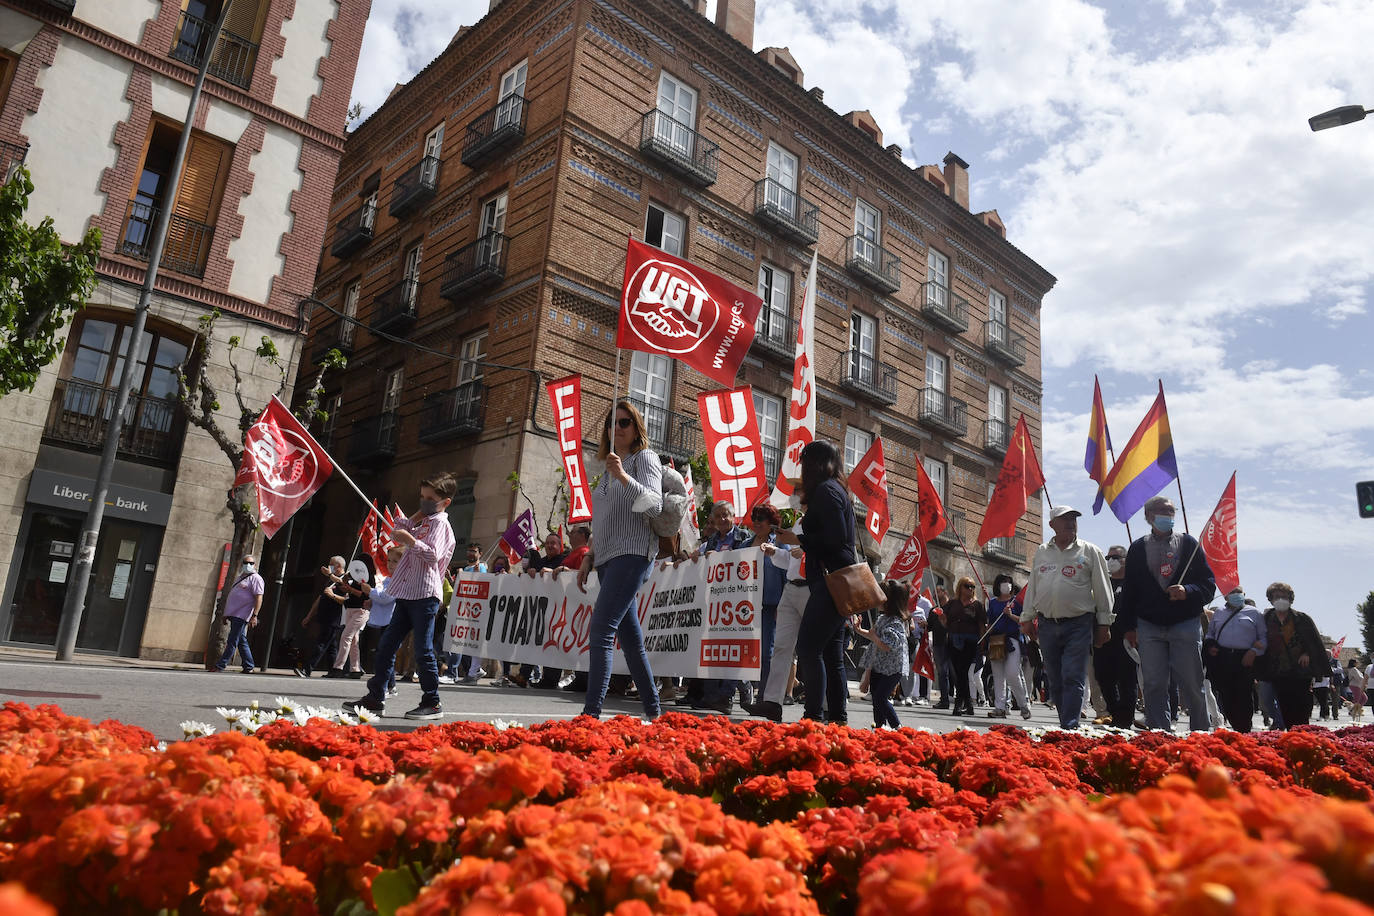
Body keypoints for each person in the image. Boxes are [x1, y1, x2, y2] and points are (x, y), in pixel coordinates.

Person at [577, 400, 664, 720]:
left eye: (624, 422)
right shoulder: (607, 471)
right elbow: (603, 520)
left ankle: (590, 715)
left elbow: (654, 505)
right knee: (630, 641)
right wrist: (589, 556)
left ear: (636, 427)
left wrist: (623, 476)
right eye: (611, 423)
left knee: (600, 630)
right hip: (607, 559)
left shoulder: (645, 458)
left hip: (634, 553)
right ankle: (655, 713)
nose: (617, 428)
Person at [344, 473, 457, 720]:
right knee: (386, 645)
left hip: (425, 594)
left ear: (445, 502)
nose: (425, 502)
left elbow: (433, 555)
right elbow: (397, 531)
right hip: (406, 593)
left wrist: (412, 540)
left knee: (422, 648)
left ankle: (432, 701)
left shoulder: (440, 524)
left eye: (431, 499)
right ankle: (375, 697)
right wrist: (415, 518)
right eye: (422, 497)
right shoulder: (426, 521)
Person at [772, 439, 857, 726]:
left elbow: (835, 539)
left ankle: (813, 717)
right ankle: (837, 720)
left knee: (808, 648)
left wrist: (798, 539)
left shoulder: (825, 491)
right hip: (837, 580)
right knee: (831, 655)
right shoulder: (836, 490)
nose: (801, 467)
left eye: (804, 461)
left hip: (831, 580)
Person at [1117, 496, 1217, 732]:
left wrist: (1187, 591)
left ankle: (1200, 732)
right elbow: (1129, 590)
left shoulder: (1189, 544)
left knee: (1192, 683)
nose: (1168, 515)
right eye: (1163, 511)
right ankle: (1159, 733)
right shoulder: (1138, 548)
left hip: (1184, 623)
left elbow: (1208, 585)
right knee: (1153, 683)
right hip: (1148, 625)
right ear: (1149, 516)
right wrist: (1129, 627)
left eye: (1172, 511)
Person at [1019, 505, 1114, 730]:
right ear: (1052, 525)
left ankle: (1069, 726)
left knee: (1073, 675)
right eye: (1065, 519)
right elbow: (1033, 585)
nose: (1071, 522)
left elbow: (1102, 588)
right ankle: (1066, 724)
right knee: (1055, 678)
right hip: (1046, 623)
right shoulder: (1042, 551)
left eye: (1074, 518)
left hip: (1079, 623)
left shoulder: (1090, 551)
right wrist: (1026, 617)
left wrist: (1104, 623)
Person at [742, 517, 807, 723]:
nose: (796, 492)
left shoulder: (824, 513)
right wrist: (775, 553)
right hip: (791, 586)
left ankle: (823, 706)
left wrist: (806, 549)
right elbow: (791, 560)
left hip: (811, 587)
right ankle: (772, 703)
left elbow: (830, 547)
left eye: (799, 488)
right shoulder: (799, 521)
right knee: (781, 647)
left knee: (814, 650)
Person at [693, 501, 755, 713]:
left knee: (734, 648)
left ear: (734, 516)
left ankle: (726, 696)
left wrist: (722, 558)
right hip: (715, 600)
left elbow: (748, 562)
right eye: (717, 516)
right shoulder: (711, 540)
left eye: (725, 515)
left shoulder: (744, 537)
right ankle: (711, 696)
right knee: (712, 647)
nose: (721, 520)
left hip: (738, 600)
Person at [1257, 582, 1325, 730]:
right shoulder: (1266, 619)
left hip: (1300, 672)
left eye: (1284, 596)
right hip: (1277, 672)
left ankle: (1303, 738)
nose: (1280, 599)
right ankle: (1291, 737)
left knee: (1302, 708)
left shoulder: (1301, 619)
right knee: (1285, 709)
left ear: (1290, 598)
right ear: (1271, 599)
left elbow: (1314, 643)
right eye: (1277, 596)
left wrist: (1307, 653)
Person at [1202, 586, 1267, 732]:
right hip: (1223, 658)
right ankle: (1235, 725)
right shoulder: (1219, 613)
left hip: (1245, 657)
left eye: (1239, 592)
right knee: (1226, 694)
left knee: (1243, 694)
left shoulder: (1254, 613)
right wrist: (1211, 645)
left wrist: (1254, 651)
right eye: (1233, 593)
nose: (1236, 595)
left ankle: (1244, 728)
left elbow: (1263, 637)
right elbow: (1210, 634)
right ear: (1225, 596)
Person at [851, 580, 910, 728]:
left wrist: (873, 636)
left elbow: (886, 645)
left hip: (892, 669)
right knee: (876, 701)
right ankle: (880, 727)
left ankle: (897, 727)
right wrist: (860, 631)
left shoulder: (896, 622)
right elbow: (874, 637)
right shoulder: (882, 619)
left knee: (880, 698)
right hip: (879, 666)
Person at [1092, 544, 1138, 729]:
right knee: (1103, 676)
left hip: (1126, 639)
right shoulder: (1102, 583)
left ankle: (1125, 719)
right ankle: (1115, 712)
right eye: (1108, 557)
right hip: (1103, 639)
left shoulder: (1134, 583)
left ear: (1126, 560)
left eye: (1116, 557)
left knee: (1127, 679)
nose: (1111, 561)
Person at [985, 573, 1030, 720]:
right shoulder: (992, 603)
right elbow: (990, 621)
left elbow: (1023, 620)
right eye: (1003, 582)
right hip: (996, 641)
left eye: (1008, 582)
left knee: (1012, 674)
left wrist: (1010, 615)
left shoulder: (1015, 602)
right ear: (998, 585)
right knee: (998, 676)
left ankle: (1024, 705)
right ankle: (1000, 707)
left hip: (1012, 641)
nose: (1006, 584)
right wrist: (988, 628)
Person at [941, 577, 987, 716]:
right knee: (958, 673)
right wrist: (942, 619)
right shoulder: (952, 603)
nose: (971, 589)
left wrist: (983, 643)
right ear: (960, 587)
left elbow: (981, 625)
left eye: (973, 586)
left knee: (962, 672)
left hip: (970, 641)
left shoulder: (977, 605)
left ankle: (958, 704)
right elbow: (946, 623)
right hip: (954, 639)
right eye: (967, 586)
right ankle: (968, 704)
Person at [299, 556, 350, 677]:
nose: (329, 566)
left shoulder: (346, 580)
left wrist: (332, 595)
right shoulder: (330, 580)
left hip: (335, 618)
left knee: (321, 643)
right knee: (331, 646)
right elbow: (320, 598)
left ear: (338, 566)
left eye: (331, 564)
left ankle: (307, 669)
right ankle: (335, 671)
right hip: (325, 616)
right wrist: (309, 616)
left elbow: (346, 600)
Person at [213, 553, 262, 673]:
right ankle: (249, 665)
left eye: (251, 563)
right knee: (241, 640)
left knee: (232, 640)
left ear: (254, 565)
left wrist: (254, 615)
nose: (248, 565)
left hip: (243, 615)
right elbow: (233, 597)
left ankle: (220, 665)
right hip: (234, 615)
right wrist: (226, 614)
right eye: (245, 563)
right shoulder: (240, 577)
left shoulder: (256, 578)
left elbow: (259, 598)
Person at [327, 559, 373, 678]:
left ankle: (338, 667)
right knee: (353, 640)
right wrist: (345, 579)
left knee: (346, 636)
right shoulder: (352, 577)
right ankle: (355, 669)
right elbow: (342, 586)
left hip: (361, 611)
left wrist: (349, 588)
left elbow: (365, 595)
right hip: (350, 610)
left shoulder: (367, 580)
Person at [1347, 658, 1367, 722]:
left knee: (1364, 698)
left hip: (1357, 686)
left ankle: (1355, 710)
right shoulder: (1353, 669)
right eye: (1356, 662)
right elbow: (1359, 678)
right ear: (1353, 663)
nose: (1357, 663)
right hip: (1355, 685)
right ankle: (1354, 711)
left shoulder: (1353, 669)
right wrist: (1365, 679)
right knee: (1357, 699)